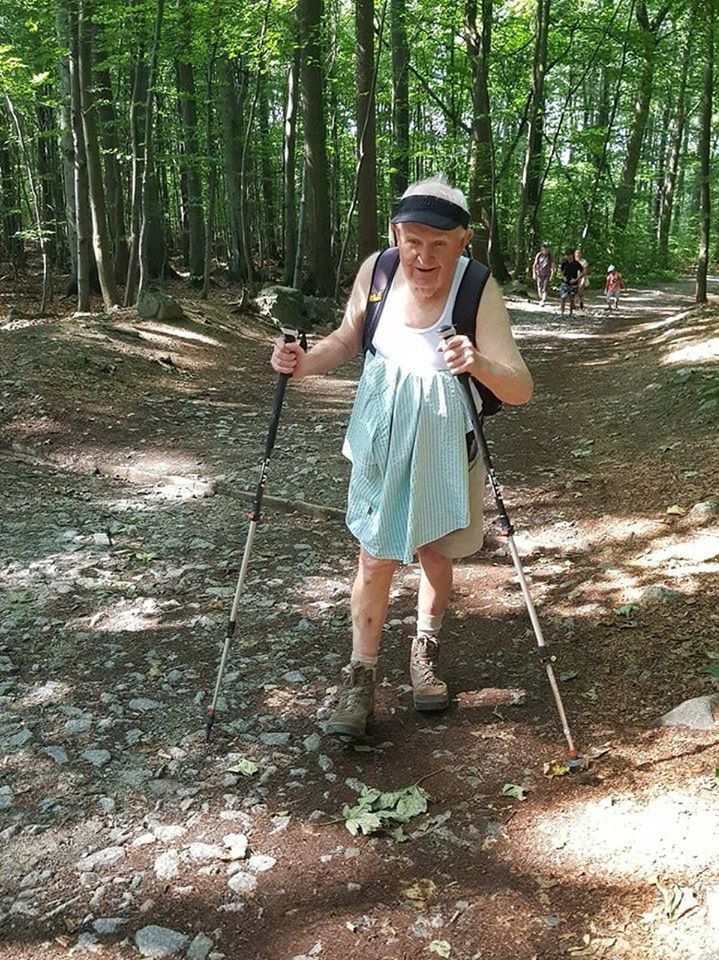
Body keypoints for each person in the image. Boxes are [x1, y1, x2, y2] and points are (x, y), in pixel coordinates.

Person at [271, 175, 533, 739]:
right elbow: (347, 339)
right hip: (382, 435)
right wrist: (302, 363)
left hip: (446, 440)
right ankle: (361, 674)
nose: (424, 254)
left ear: (463, 241)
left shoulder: (478, 289)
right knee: (374, 554)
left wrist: (480, 362)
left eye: (440, 243)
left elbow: (520, 387)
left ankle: (424, 650)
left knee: (436, 552)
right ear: (397, 234)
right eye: (414, 239)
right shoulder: (379, 271)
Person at [558, 248, 582, 316]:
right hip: (565, 283)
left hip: (573, 283)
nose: (568, 256)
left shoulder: (576, 263)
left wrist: (576, 279)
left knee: (571, 299)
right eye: (567, 255)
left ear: (572, 255)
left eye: (570, 255)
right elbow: (561, 271)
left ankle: (570, 313)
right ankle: (562, 313)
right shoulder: (564, 263)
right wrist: (563, 277)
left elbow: (583, 271)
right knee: (563, 297)